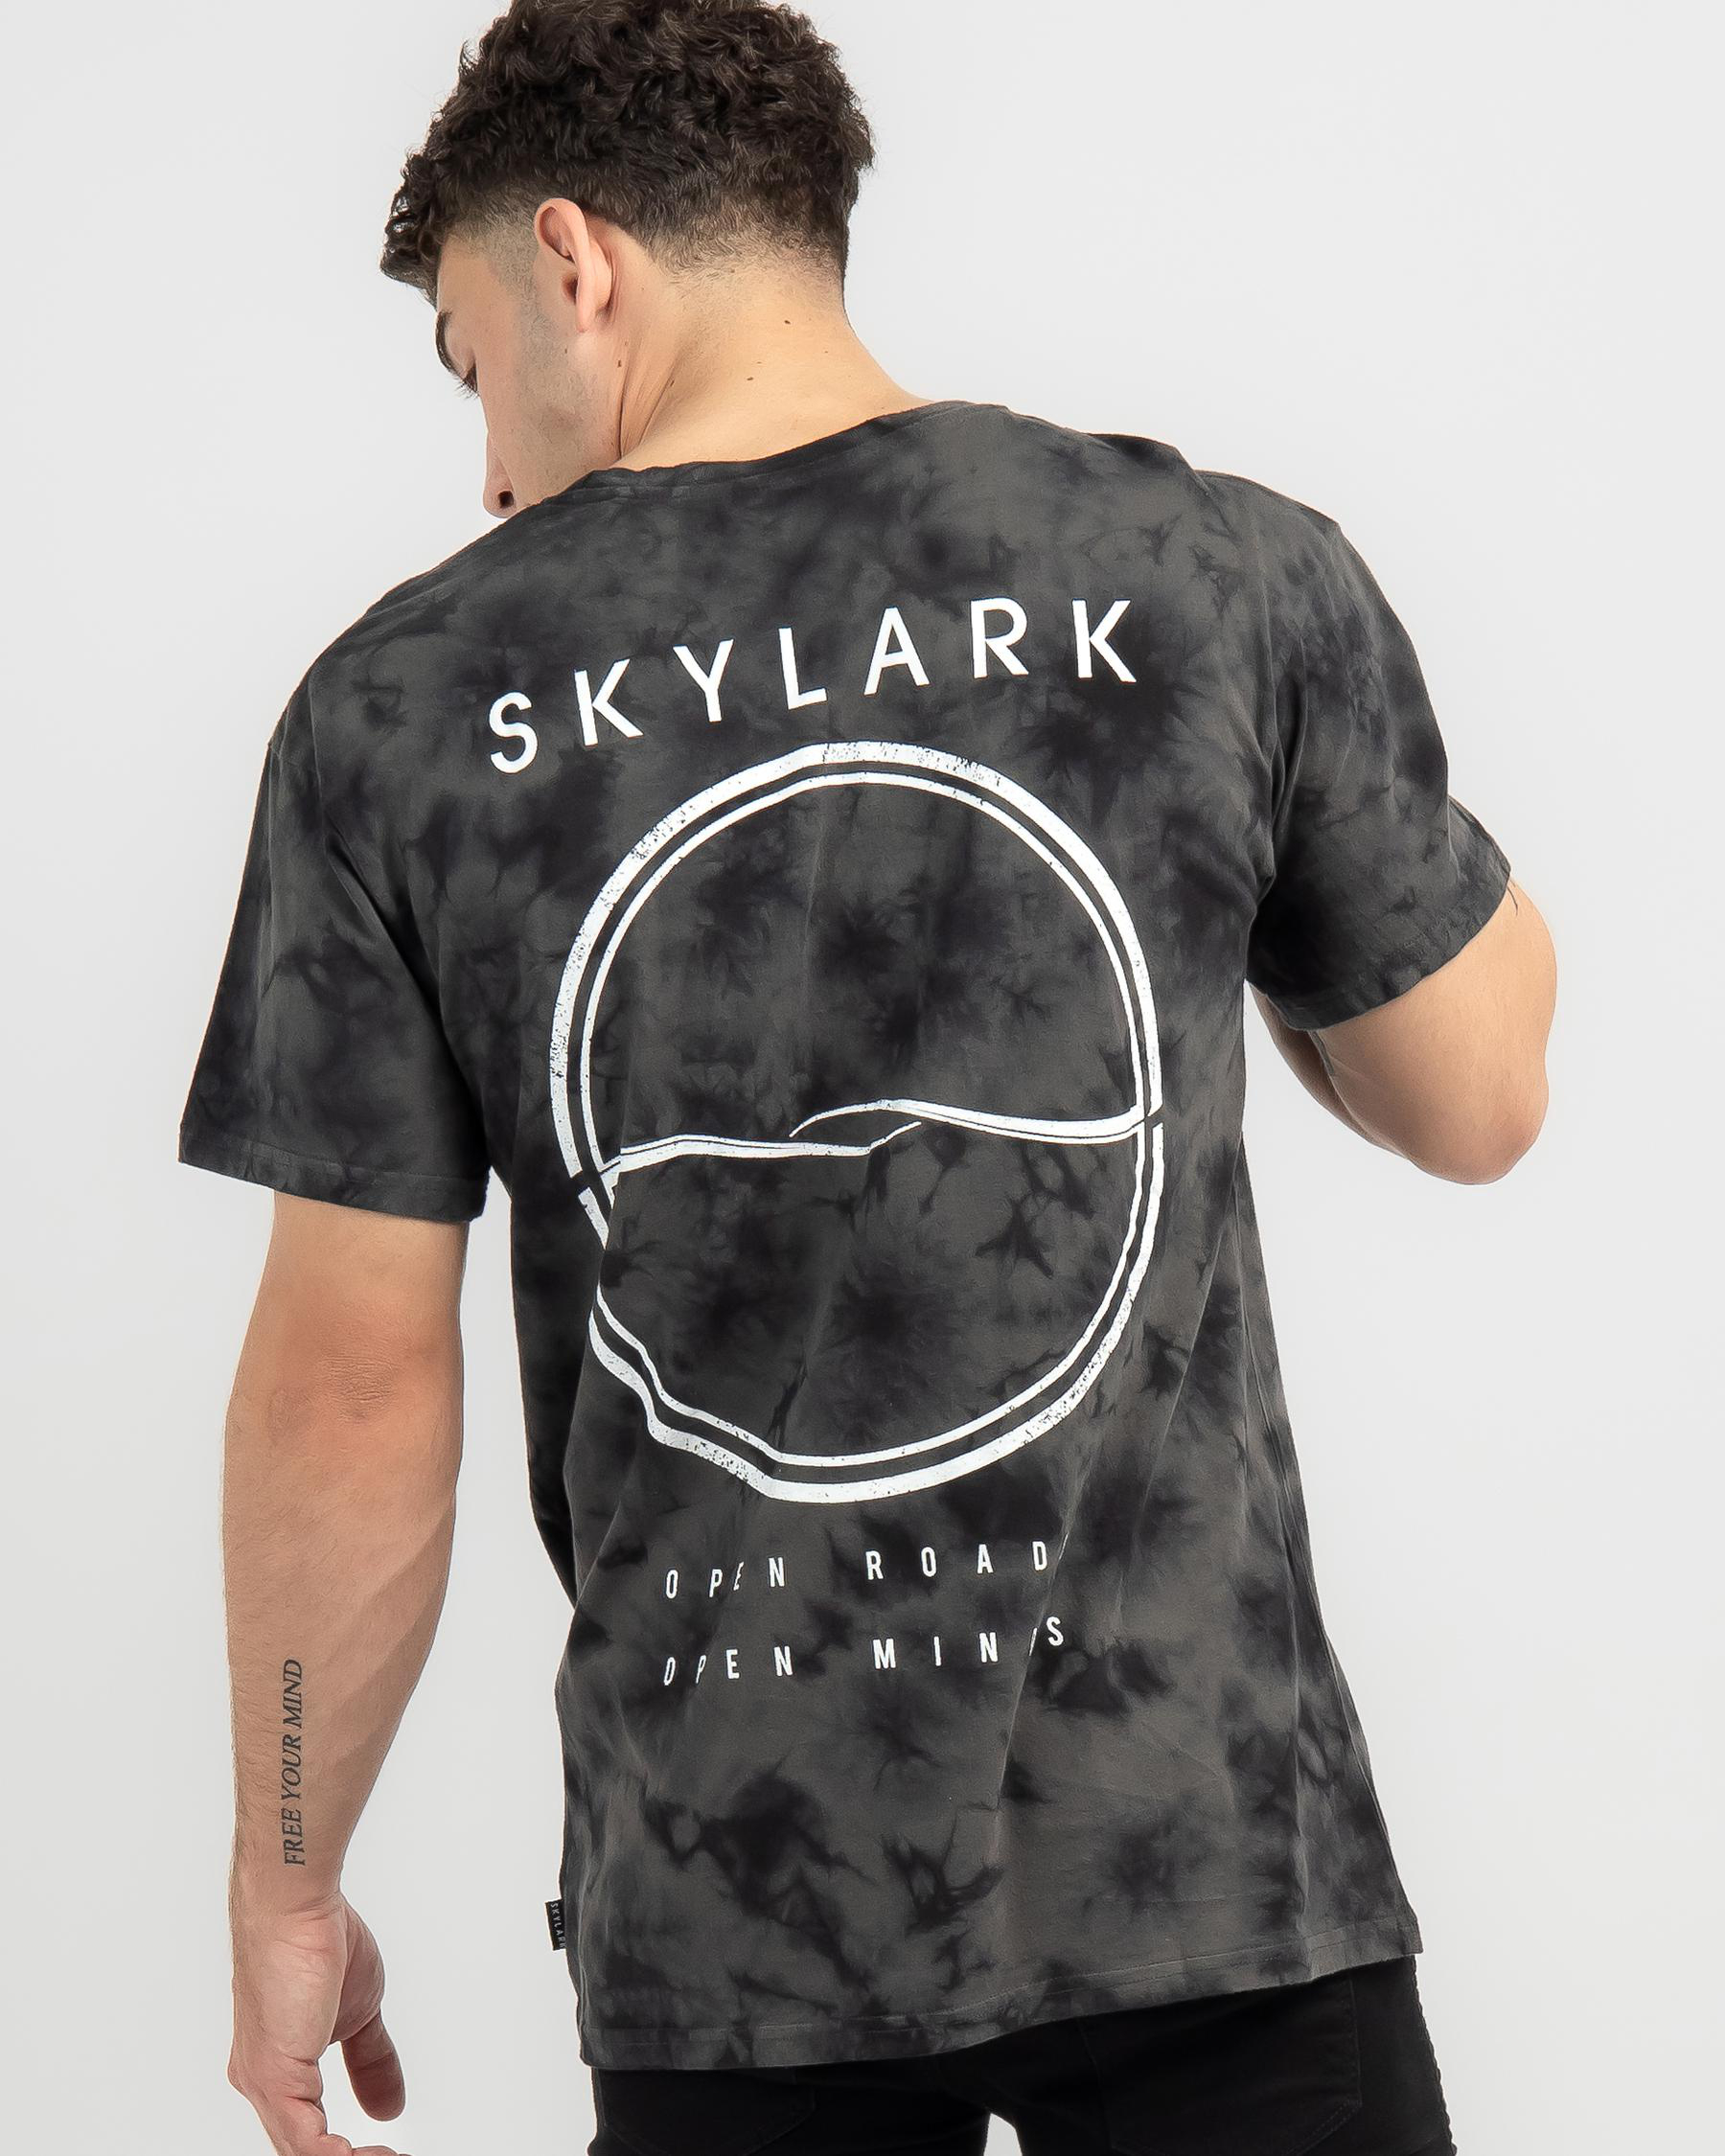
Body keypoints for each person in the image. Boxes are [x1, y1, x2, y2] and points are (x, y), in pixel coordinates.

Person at [176, 4, 1557, 2151]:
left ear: (574, 263)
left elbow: (352, 1386)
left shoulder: (402, 708)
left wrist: (287, 1877)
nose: (491, 473)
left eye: (470, 362)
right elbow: (1477, 1098)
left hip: (739, 1911)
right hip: (1205, 1858)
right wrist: (1237, 851)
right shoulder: (1214, 574)